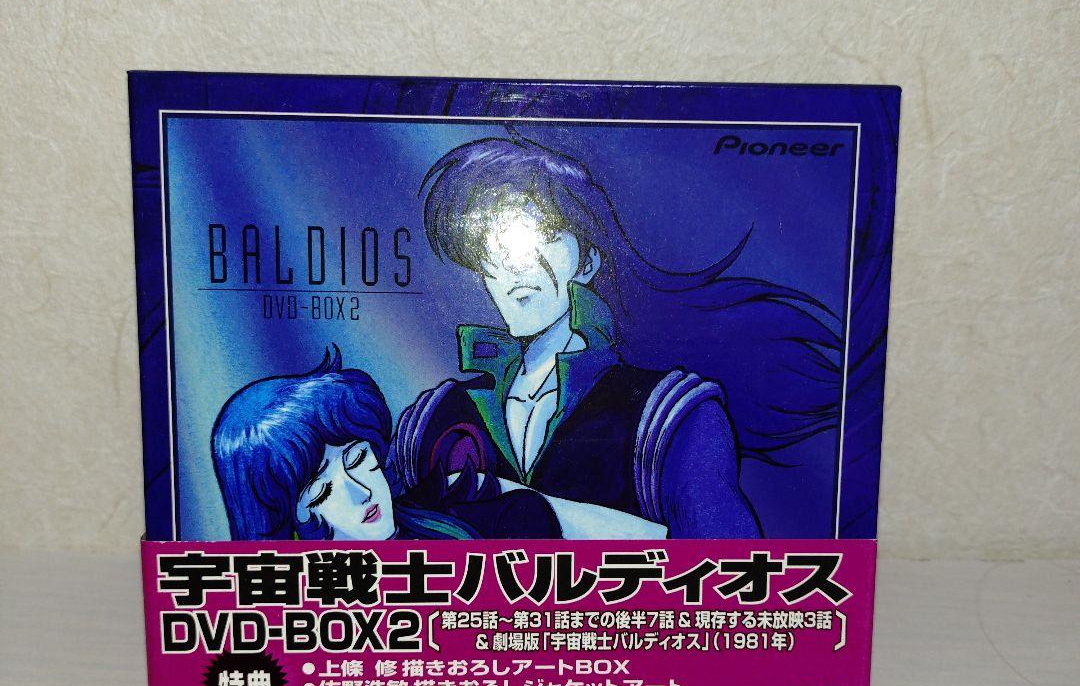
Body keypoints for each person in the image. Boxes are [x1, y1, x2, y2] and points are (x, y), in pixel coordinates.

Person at [395, 134, 840, 537]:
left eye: (546, 233)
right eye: (485, 247)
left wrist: (535, 509)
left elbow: (730, 576)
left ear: (587, 262)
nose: (511, 265)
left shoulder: (669, 416)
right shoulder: (433, 421)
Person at [211, 347, 561, 540]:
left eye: (357, 458)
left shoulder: (467, 515)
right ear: (287, 516)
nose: (362, 491)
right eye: (321, 491)